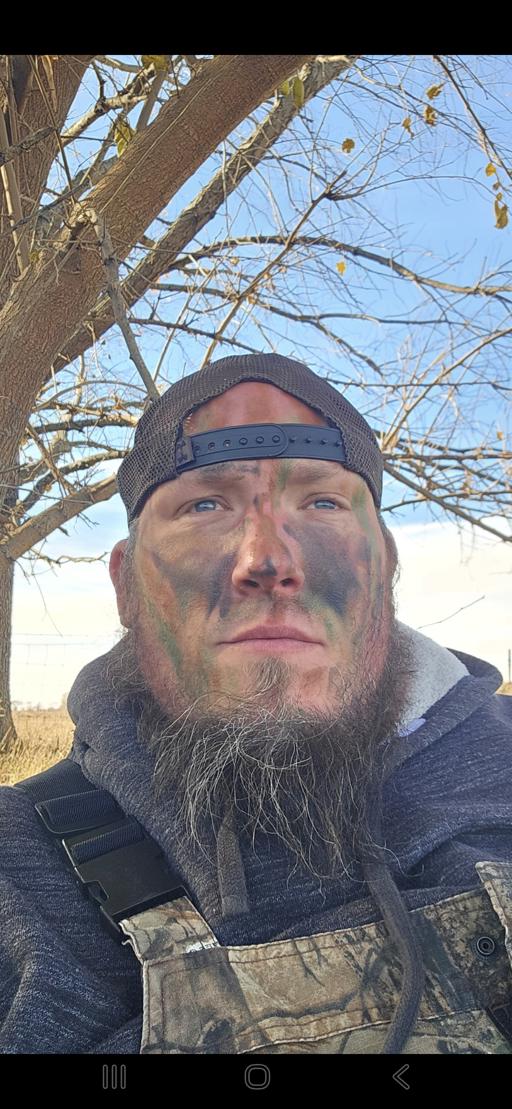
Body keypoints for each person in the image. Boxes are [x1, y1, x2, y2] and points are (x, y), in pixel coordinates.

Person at [1, 352, 511, 1055]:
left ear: (387, 565)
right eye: (205, 505)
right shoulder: (16, 868)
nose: (267, 561)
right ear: (124, 584)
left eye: (323, 503)